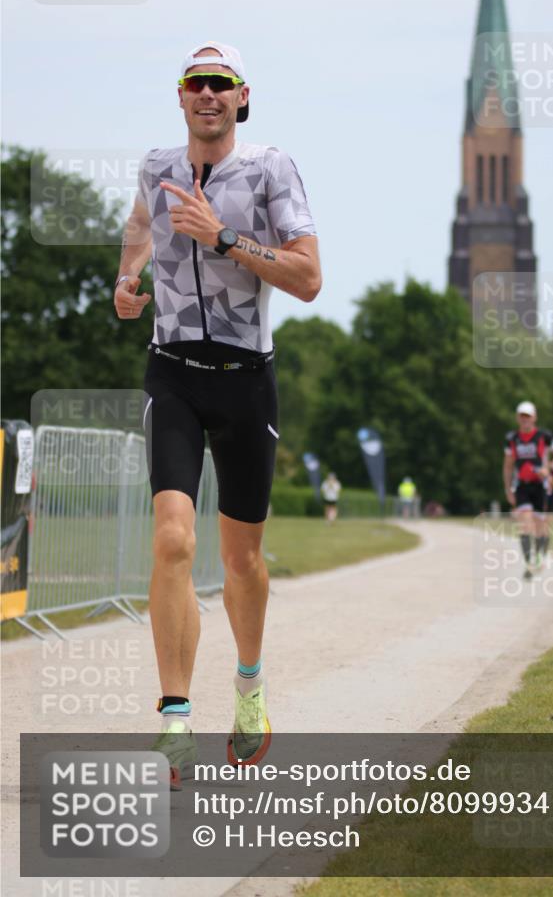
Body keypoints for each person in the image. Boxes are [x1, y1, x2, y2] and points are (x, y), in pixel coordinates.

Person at [114, 41, 321, 787]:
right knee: (172, 538)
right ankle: (174, 717)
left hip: (245, 382)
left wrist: (225, 237)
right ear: (180, 96)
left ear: (241, 97)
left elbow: (308, 278)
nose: (207, 94)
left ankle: (250, 686)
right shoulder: (156, 166)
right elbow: (139, 226)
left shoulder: (270, 170)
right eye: (195, 83)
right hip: (172, 373)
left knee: (242, 562)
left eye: (220, 84)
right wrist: (126, 279)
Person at [503, 401, 553, 579]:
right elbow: (507, 466)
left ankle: (539, 556)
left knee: (540, 528)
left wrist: (549, 468)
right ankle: (529, 562)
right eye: (522, 416)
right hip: (522, 485)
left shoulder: (544, 436)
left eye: (528, 416)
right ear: (517, 418)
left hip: (541, 486)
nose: (525, 420)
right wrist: (508, 490)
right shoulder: (511, 439)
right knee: (524, 523)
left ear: (534, 417)